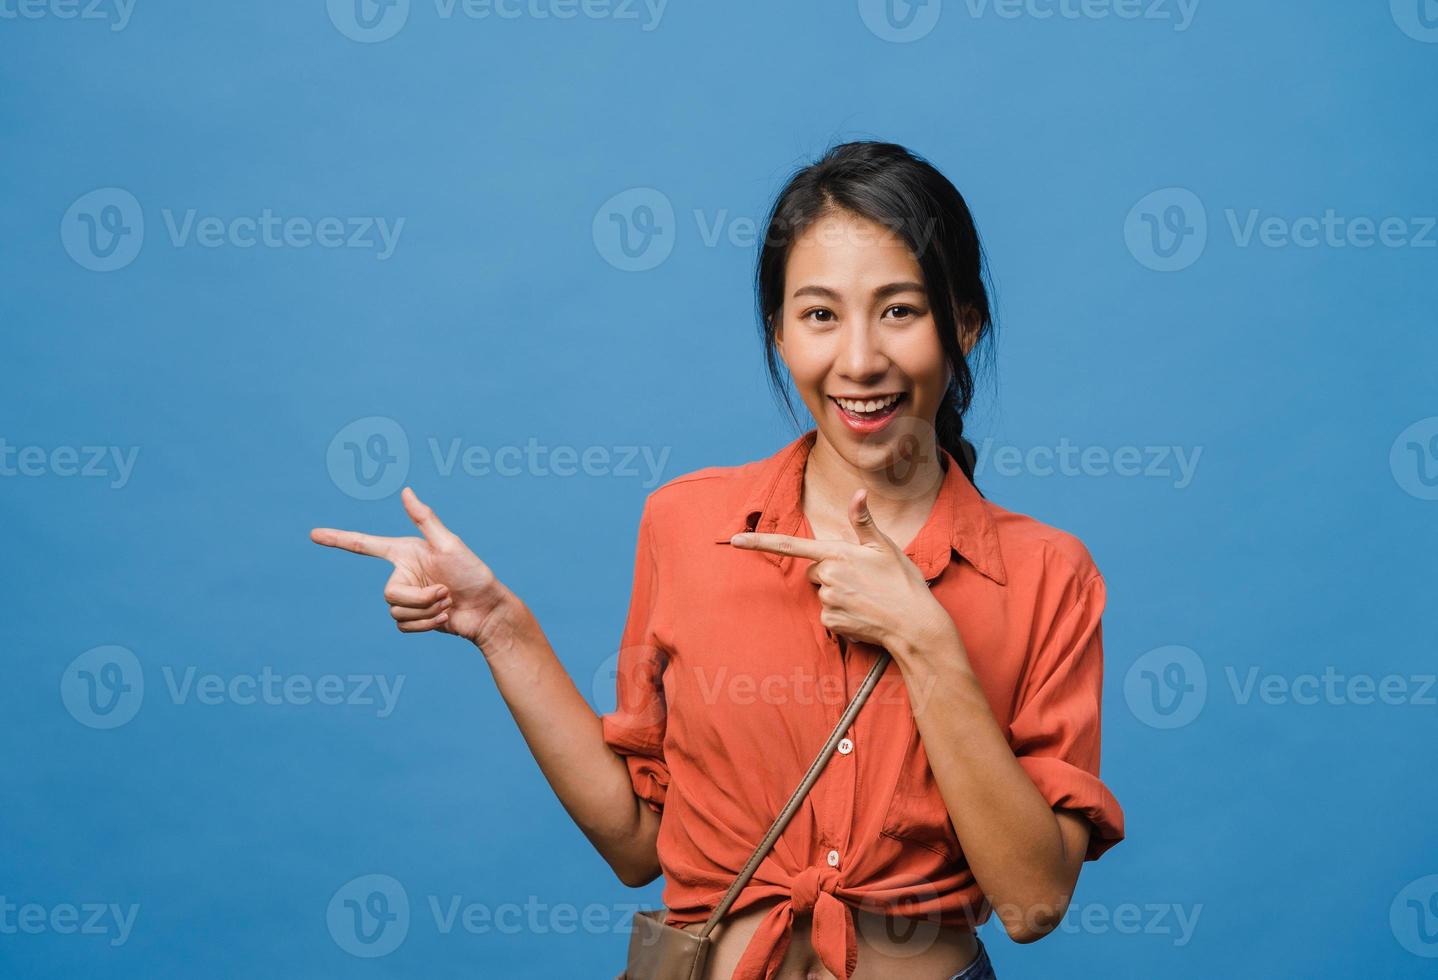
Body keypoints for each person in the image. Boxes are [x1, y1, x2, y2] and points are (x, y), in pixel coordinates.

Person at [311, 140, 1125, 979]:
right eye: (819, 315)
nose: (858, 361)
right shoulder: (686, 524)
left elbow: (1032, 902)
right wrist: (498, 628)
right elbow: (638, 844)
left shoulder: (1047, 576)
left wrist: (927, 642)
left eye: (899, 310)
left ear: (963, 323)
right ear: (777, 331)